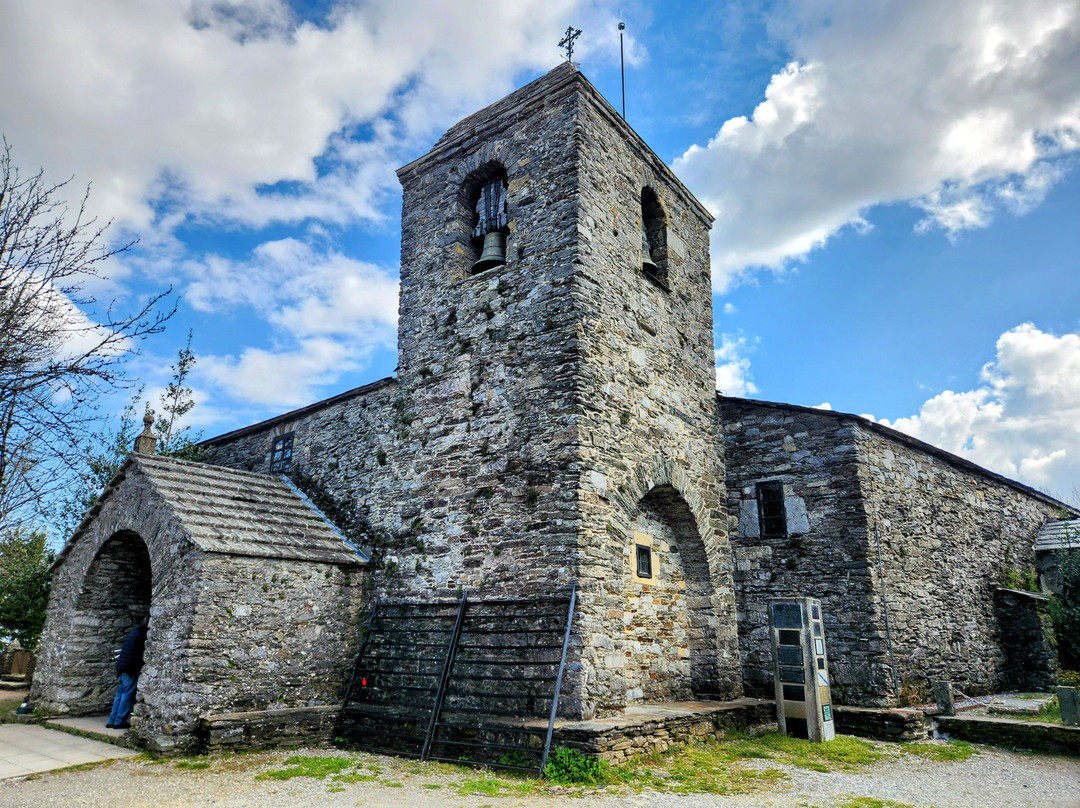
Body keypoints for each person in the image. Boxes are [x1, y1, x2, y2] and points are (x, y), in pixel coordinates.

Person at [107, 616, 148, 729]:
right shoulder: (140, 636)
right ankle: (119, 721)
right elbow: (138, 656)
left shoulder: (133, 633)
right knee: (127, 695)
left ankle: (112, 720)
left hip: (122, 668)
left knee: (119, 695)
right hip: (129, 670)